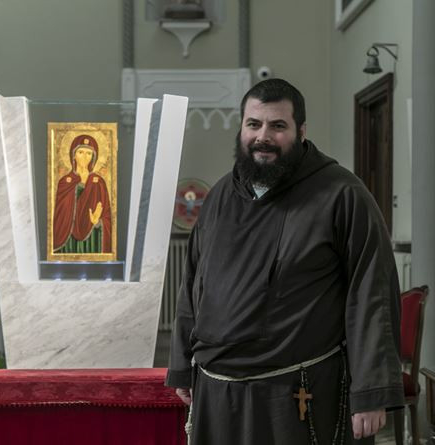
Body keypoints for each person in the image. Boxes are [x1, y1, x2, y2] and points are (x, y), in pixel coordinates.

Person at [166, 79, 404, 444]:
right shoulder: (219, 197)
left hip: (297, 394)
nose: (263, 136)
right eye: (254, 124)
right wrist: (182, 365)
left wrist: (371, 392)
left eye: (278, 125)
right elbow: (194, 284)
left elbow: (373, 293)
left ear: (301, 131)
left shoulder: (342, 194)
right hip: (218, 391)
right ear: (241, 128)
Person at [53, 134, 112, 254]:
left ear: (93, 157)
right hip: (68, 239)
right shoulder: (65, 182)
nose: (85, 157)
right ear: (73, 155)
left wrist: (97, 222)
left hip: (92, 237)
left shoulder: (99, 183)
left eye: (89, 153)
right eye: (81, 152)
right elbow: (60, 216)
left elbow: (107, 216)